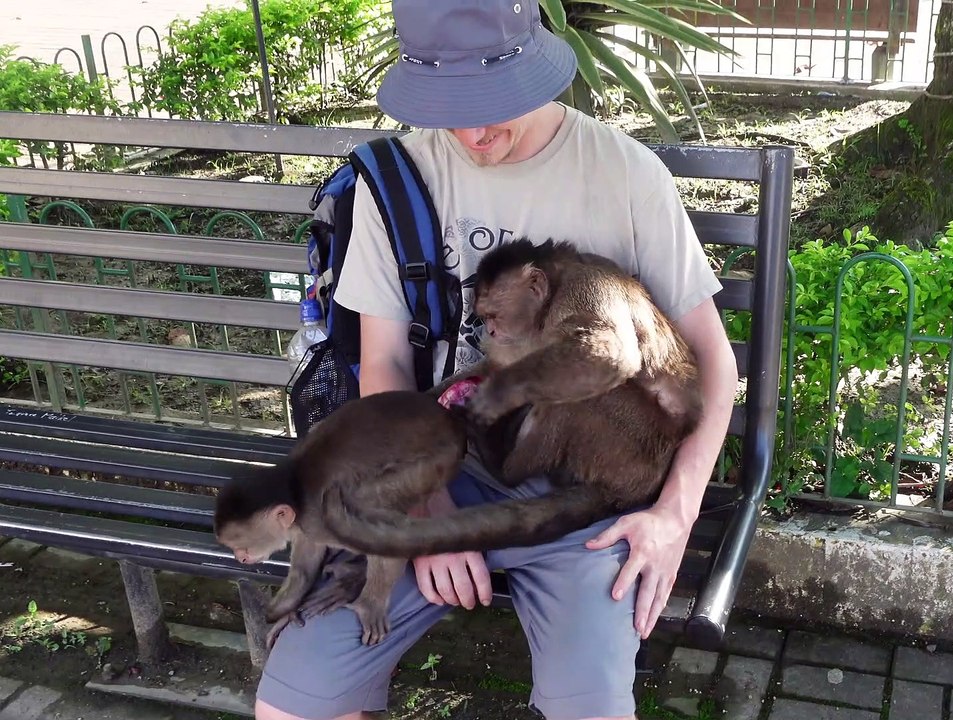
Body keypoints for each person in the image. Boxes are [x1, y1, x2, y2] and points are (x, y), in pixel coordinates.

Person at [253, 1, 739, 719]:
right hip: (444, 471)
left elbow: (714, 365)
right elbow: (381, 365)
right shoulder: (400, 180)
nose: (475, 132)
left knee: (591, 710)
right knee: (293, 705)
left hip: (588, 497)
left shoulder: (625, 174)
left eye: (492, 102)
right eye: (452, 106)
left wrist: (675, 512)